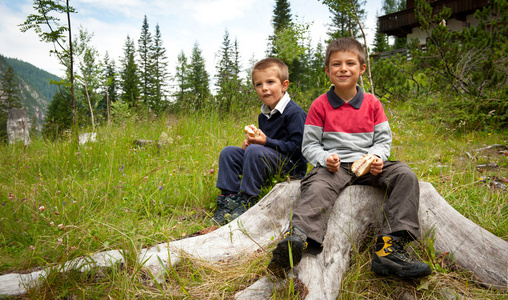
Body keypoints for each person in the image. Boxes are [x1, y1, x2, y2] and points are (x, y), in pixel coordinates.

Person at [268, 38, 431, 278]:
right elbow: (310, 145)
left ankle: (390, 247)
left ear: (362, 68)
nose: (343, 68)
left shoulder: (373, 103)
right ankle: (298, 238)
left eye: (350, 63)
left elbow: (383, 141)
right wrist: (325, 159)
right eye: (336, 64)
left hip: (369, 164)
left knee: (405, 175)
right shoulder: (320, 105)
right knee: (316, 187)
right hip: (333, 167)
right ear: (327, 70)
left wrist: (376, 157)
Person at [212, 58, 308, 225]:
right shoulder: (264, 114)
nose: (264, 88)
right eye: (258, 84)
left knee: (255, 151)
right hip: (269, 158)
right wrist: (253, 143)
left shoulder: (294, 113)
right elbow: (264, 145)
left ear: (284, 85)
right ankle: (228, 199)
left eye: (270, 82)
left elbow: (299, 149)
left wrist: (264, 143)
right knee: (229, 152)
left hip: (292, 166)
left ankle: (247, 199)